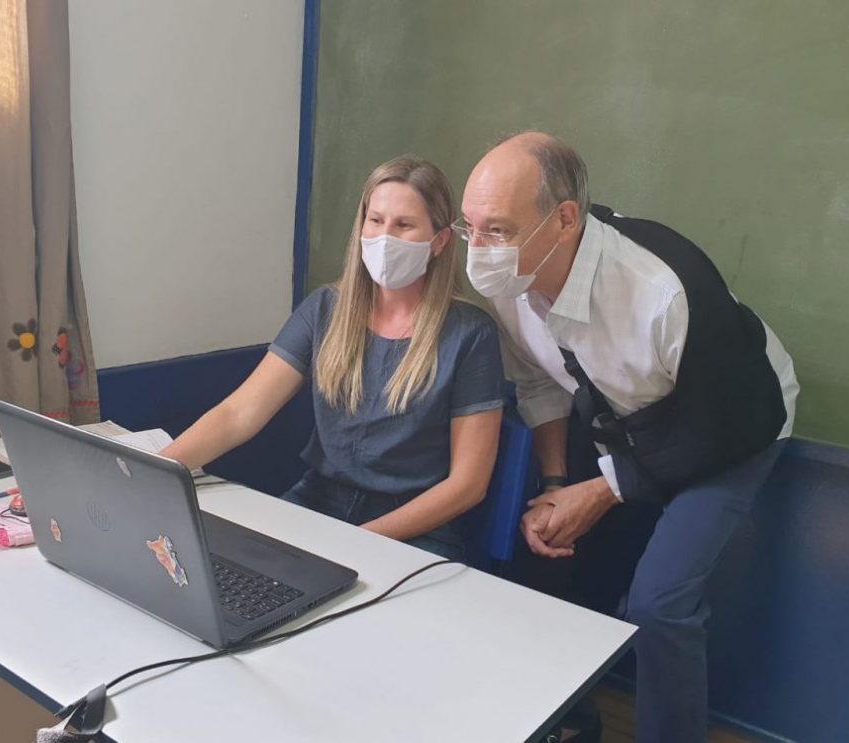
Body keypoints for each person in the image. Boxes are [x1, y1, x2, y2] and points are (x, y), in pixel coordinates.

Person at [457, 132, 799, 742]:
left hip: (732, 422)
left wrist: (603, 490)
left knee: (659, 604)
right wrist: (557, 484)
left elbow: (725, 424)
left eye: (499, 231)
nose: (479, 250)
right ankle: (564, 722)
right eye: (470, 228)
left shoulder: (662, 292)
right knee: (549, 554)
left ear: (565, 219)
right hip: (619, 416)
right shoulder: (510, 284)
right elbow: (539, 382)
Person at [163, 156, 505, 560]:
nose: (385, 237)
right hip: (318, 500)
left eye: (404, 225)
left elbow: (467, 485)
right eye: (375, 220)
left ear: (440, 241)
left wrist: (356, 541)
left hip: (413, 523)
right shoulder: (325, 308)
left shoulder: (471, 333)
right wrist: (156, 471)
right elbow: (240, 413)